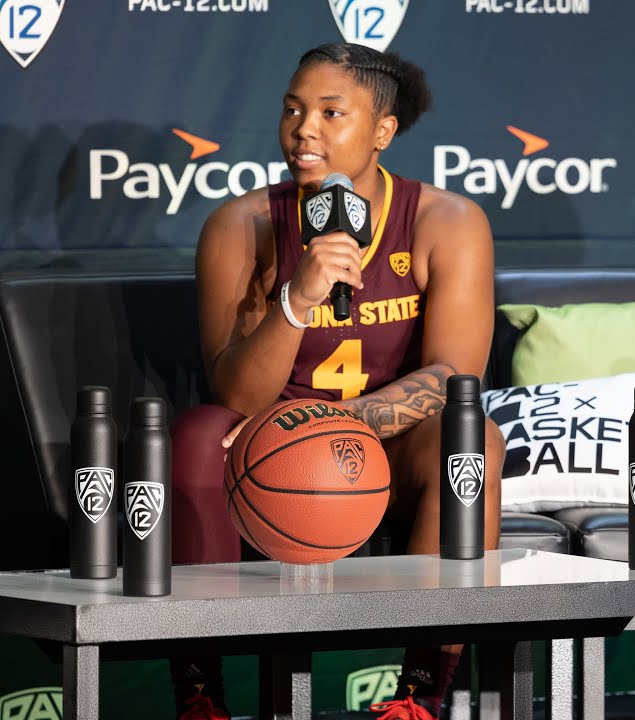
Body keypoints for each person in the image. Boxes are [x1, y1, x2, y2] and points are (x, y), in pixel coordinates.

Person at [168, 43, 506, 720]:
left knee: (474, 438)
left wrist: (334, 432)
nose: (303, 130)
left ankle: (420, 700)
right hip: (267, 444)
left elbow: (451, 377)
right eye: (292, 109)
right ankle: (201, 699)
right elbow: (233, 394)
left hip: (382, 444)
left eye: (330, 112)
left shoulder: (448, 222)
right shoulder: (242, 225)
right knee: (198, 434)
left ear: (383, 130)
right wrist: (298, 295)